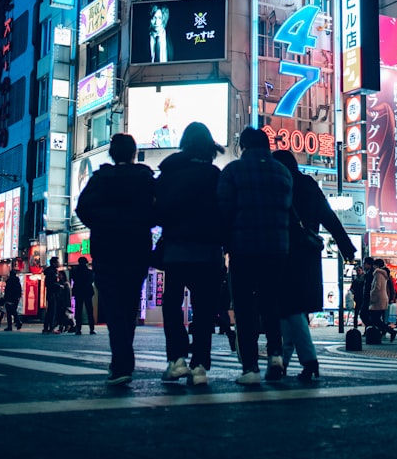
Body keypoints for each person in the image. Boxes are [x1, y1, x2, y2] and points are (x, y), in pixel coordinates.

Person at [76, 133, 157, 386]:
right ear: (134, 153)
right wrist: (143, 223)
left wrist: (102, 224)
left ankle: (120, 362)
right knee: (130, 305)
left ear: (112, 153)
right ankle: (123, 361)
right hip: (136, 249)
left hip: (107, 250)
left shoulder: (101, 178)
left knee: (113, 308)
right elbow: (157, 209)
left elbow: (82, 208)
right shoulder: (145, 178)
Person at [272, 150, 357, 381]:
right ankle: (283, 364)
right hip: (308, 255)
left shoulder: (279, 184)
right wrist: (345, 246)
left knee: (290, 309)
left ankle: (308, 361)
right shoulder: (307, 184)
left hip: (284, 253)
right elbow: (328, 216)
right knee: (292, 311)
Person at [218, 127, 292, 385]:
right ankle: (275, 357)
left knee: (245, 308)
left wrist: (224, 245)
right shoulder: (282, 172)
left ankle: (250, 368)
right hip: (276, 249)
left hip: (242, 249)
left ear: (244, 146)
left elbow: (224, 212)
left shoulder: (233, 171)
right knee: (271, 303)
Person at [155, 122, 225, 386]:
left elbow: (158, 209)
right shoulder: (214, 174)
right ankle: (199, 366)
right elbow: (224, 211)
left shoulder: (169, 172)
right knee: (204, 310)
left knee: (172, 305)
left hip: (176, 249)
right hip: (208, 252)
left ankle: (177, 360)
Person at [368, 259, 397, 342]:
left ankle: (389, 331)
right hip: (381, 298)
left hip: (378, 299)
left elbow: (377, 287)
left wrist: (372, 296)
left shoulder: (378, 274)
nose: (373, 267)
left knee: (375, 318)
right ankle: (384, 332)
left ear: (377, 266)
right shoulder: (382, 274)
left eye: (374, 265)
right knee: (376, 318)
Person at [71, 256, 95, 335]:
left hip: (79, 292)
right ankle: (91, 329)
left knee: (78, 311)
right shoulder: (89, 272)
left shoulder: (75, 271)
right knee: (90, 311)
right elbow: (91, 280)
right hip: (87, 292)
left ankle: (78, 329)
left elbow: (74, 280)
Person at [42, 257, 60, 334]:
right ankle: (51, 327)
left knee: (50, 310)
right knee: (52, 310)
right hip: (52, 292)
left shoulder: (50, 271)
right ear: (53, 263)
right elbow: (51, 283)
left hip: (50, 292)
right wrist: (59, 286)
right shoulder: (52, 272)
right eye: (57, 262)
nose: (58, 264)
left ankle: (46, 327)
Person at [360, 256, 374, 332]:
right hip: (367, 297)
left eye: (364, 263)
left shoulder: (372, 274)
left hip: (369, 297)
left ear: (369, 264)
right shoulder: (368, 273)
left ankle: (370, 329)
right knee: (367, 315)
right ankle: (369, 329)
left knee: (363, 314)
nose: (363, 265)